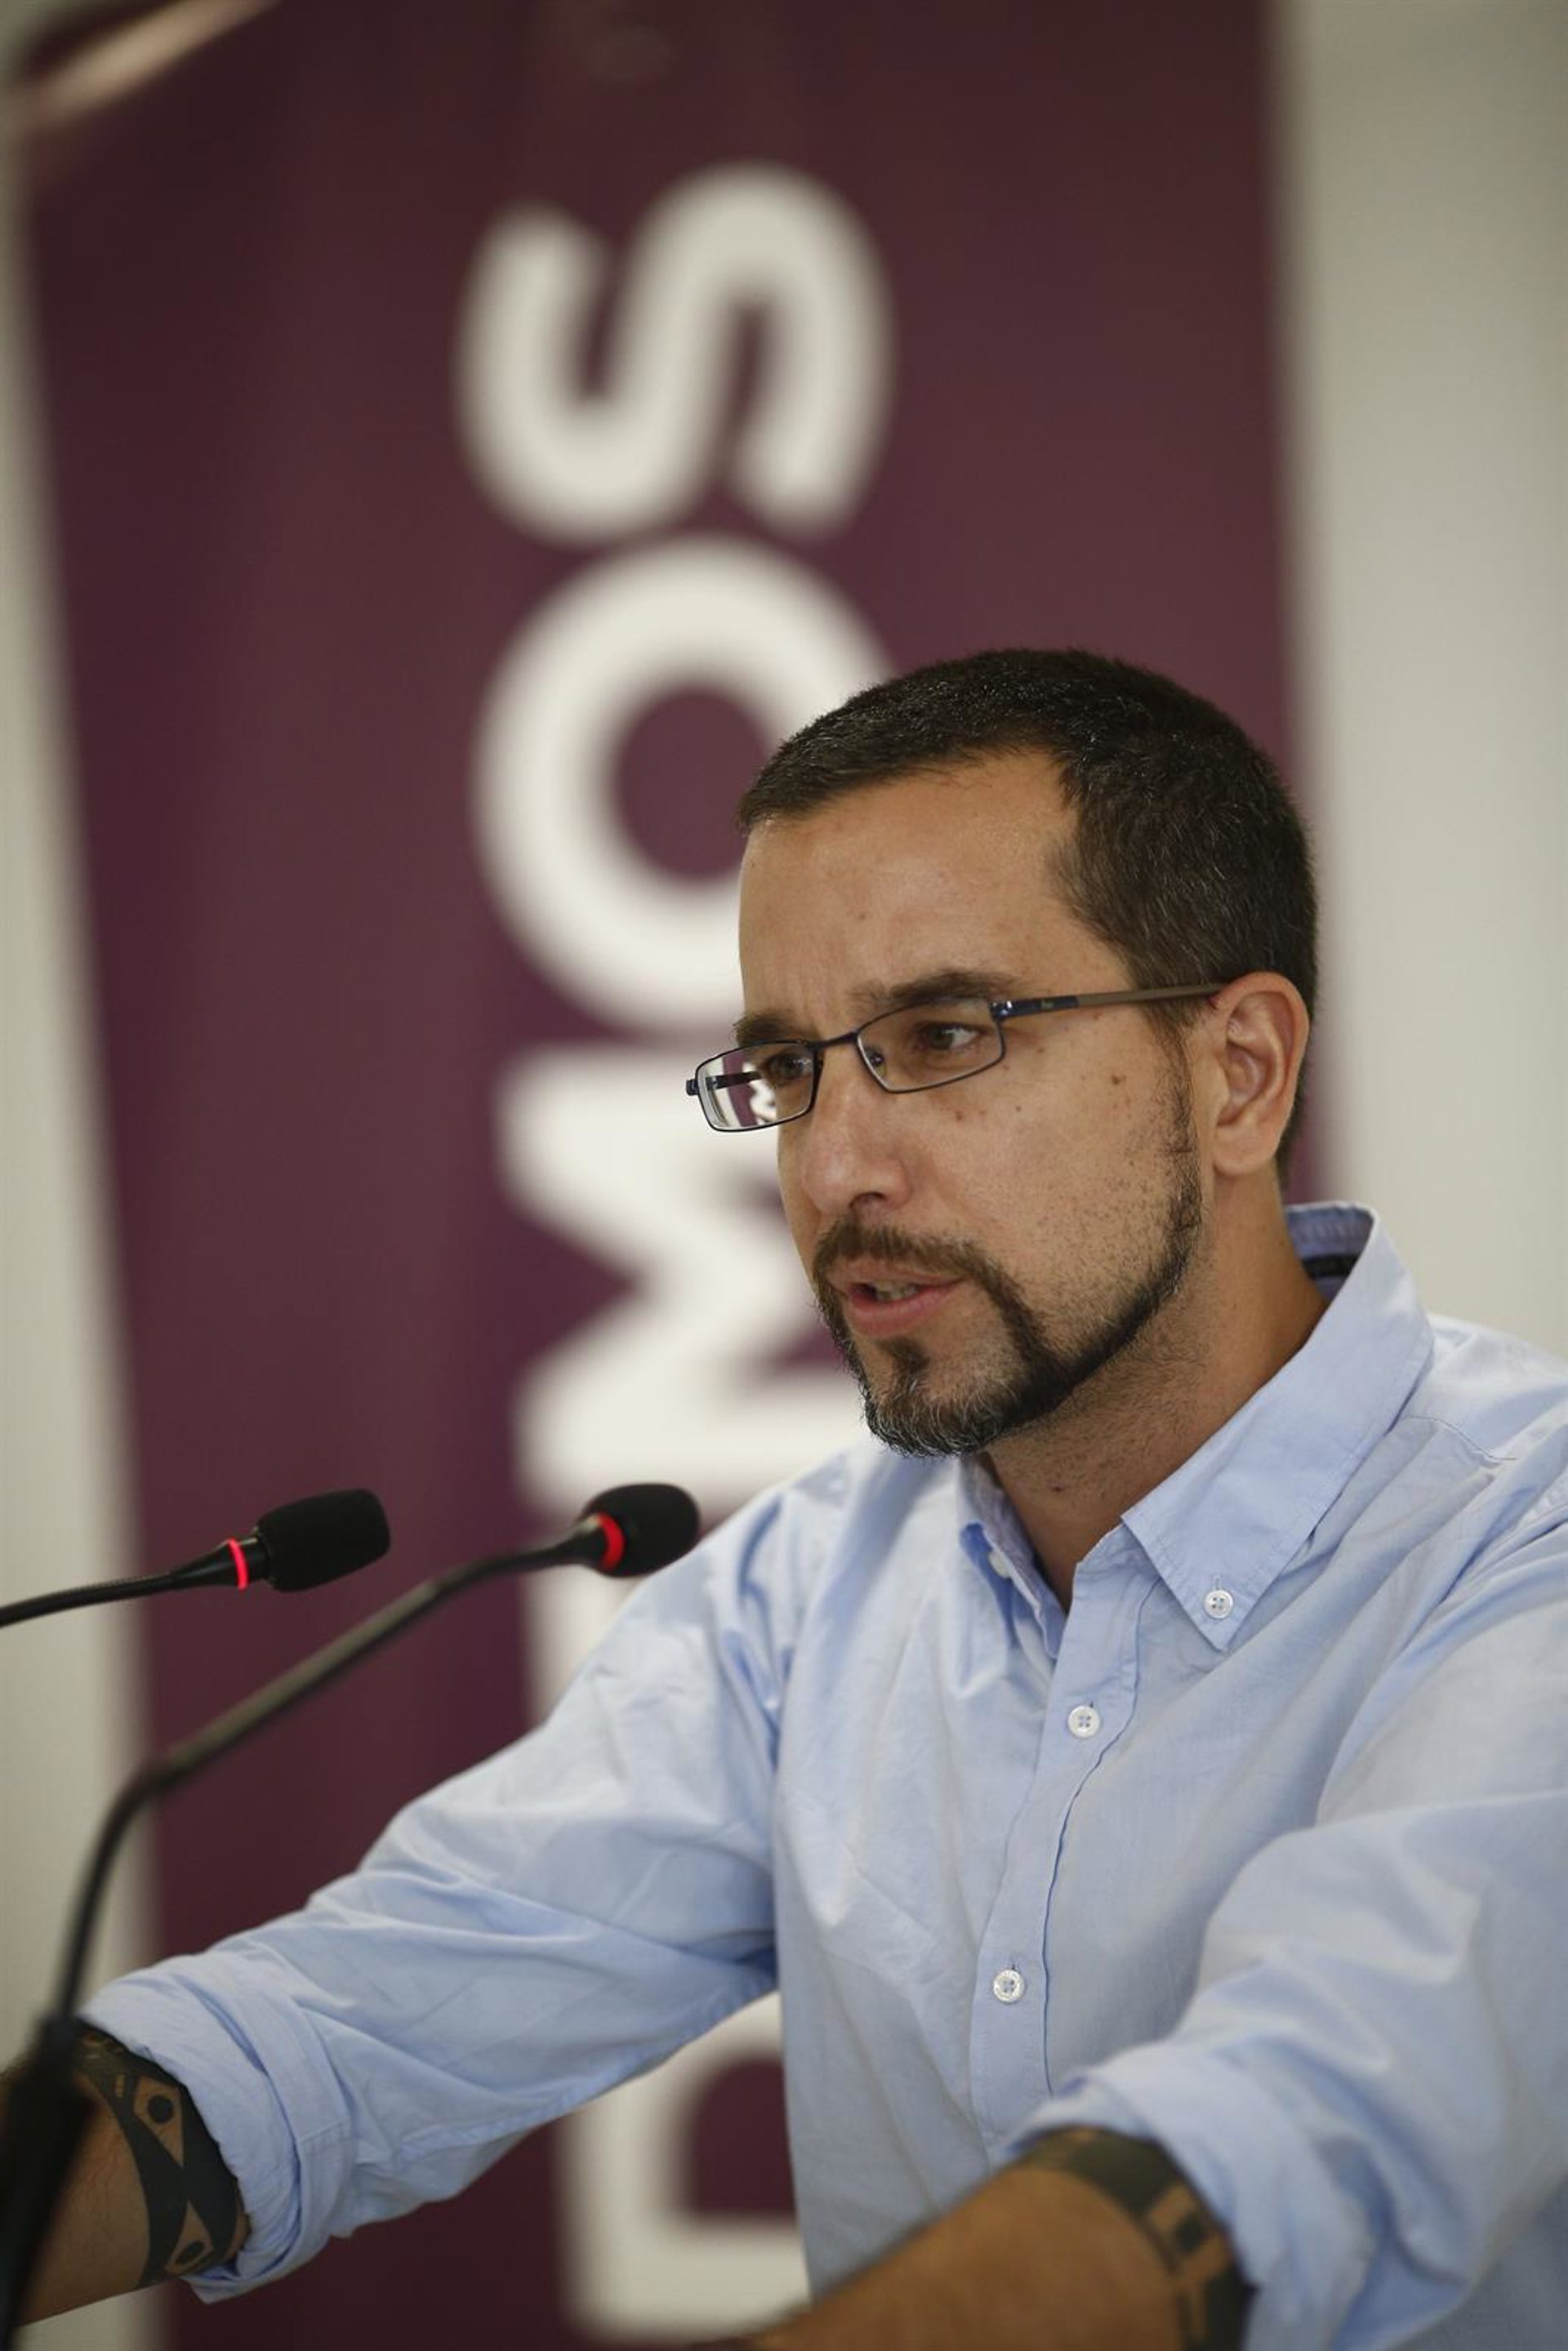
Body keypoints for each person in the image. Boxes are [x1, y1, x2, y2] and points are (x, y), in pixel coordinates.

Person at [9, 649, 1565, 2349]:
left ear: (1239, 1073)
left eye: (943, 1038)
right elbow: (348, 2019)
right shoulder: (808, 1592)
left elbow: (1294, 2131)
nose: (830, 1173)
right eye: (788, 1073)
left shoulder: (1520, 1541)